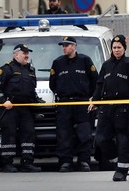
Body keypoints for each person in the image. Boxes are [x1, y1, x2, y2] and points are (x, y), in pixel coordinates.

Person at [88, 35, 129, 182]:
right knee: (100, 139)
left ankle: (122, 170)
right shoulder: (106, 65)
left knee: (123, 140)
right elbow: (99, 85)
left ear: (124, 48)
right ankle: (114, 154)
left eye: (119, 47)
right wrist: (94, 101)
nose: (116, 50)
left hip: (123, 109)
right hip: (106, 109)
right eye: (114, 47)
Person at [49, 36, 98, 172]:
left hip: (82, 103)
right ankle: (65, 162)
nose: (64, 48)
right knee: (64, 134)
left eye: (67, 45)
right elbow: (52, 84)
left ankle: (84, 161)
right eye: (63, 46)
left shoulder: (85, 61)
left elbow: (95, 80)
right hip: (64, 104)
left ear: (74, 46)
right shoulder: (58, 63)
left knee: (84, 134)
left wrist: (89, 96)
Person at [0, 44, 42, 172]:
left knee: (29, 134)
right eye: (24, 53)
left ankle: (27, 163)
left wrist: (36, 100)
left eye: (27, 53)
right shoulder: (7, 68)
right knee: (9, 134)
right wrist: (3, 101)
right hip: (10, 108)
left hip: (26, 108)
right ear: (16, 54)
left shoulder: (31, 70)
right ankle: (8, 164)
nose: (27, 55)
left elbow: (31, 89)